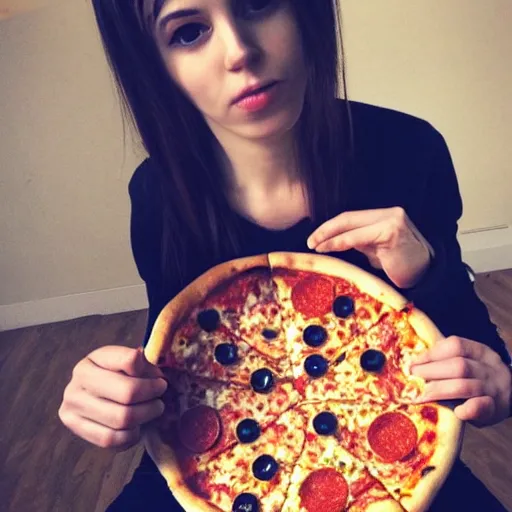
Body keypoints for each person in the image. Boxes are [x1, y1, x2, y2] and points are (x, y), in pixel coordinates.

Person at [58, 0, 512, 510]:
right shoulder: (158, 195)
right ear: (153, 65)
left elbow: (476, 351)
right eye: (188, 33)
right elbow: (177, 370)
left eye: (256, 4)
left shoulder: (409, 150)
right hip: (218, 466)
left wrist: (438, 290)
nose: (240, 53)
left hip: (390, 465)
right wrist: (114, 393)